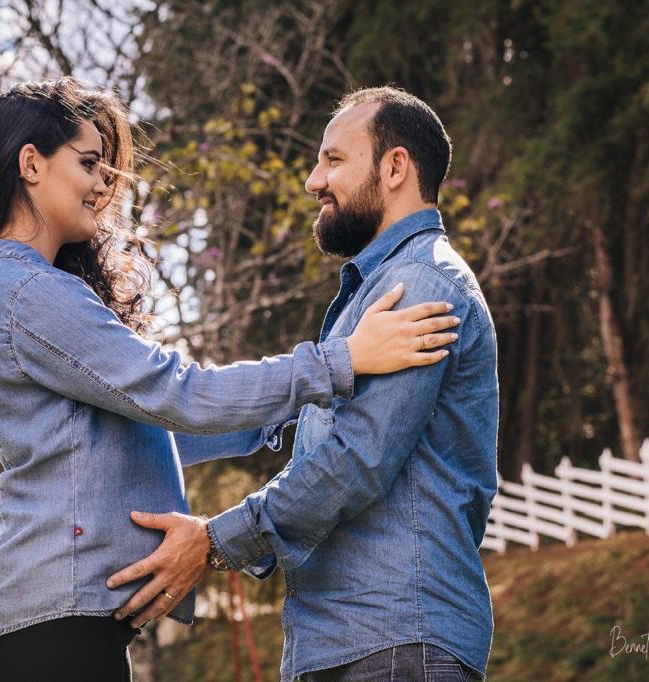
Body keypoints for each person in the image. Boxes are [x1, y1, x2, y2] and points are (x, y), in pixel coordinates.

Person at [0, 77, 461, 681]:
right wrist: (339, 363)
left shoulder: (23, 290)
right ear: (30, 164)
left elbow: (142, 435)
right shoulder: (27, 292)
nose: (103, 185)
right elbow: (178, 396)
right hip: (44, 622)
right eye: (89, 164)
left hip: (54, 619)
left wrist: (297, 412)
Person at [111, 86, 498, 681]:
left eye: (334, 160)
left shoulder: (421, 285)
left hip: (396, 640)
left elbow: (356, 461)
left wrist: (215, 542)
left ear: (396, 168)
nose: (314, 181)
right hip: (344, 641)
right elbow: (284, 422)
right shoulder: (371, 297)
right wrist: (115, 437)